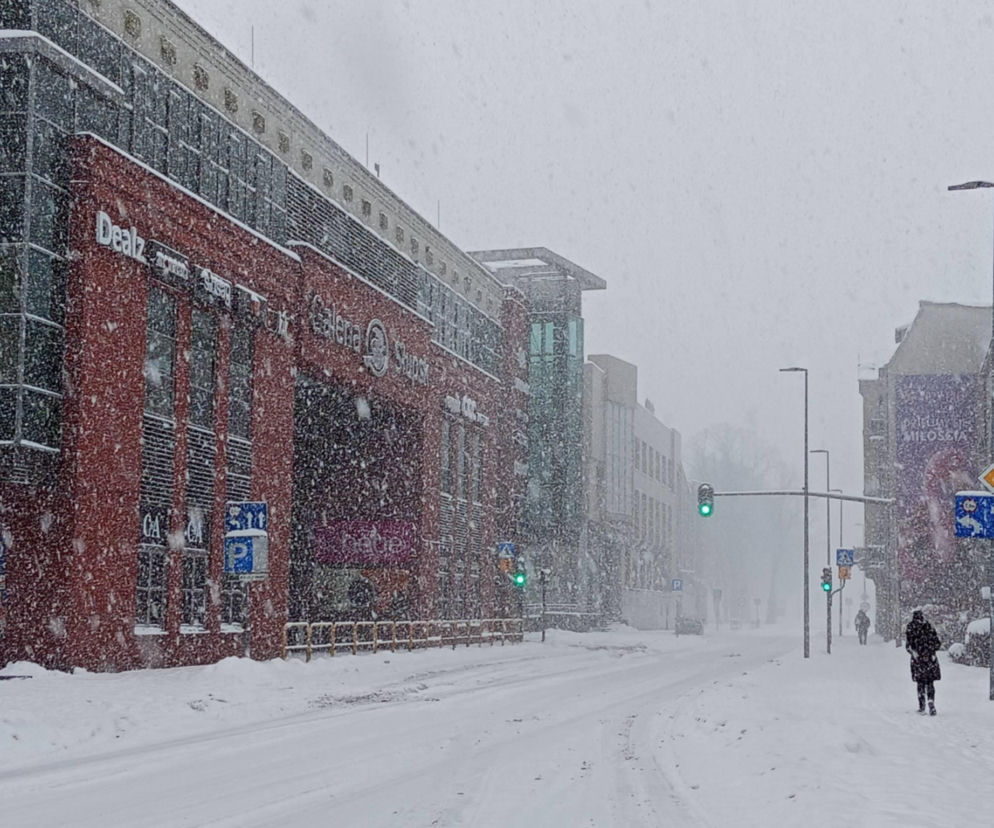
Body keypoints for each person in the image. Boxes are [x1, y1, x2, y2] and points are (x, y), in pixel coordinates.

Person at [905, 609, 941, 715]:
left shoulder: (911, 627)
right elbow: (937, 643)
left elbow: (908, 645)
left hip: (918, 660)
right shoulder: (929, 626)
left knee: (920, 683)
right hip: (930, 659)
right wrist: (932, 652)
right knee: (930, 682)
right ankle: (931, 700)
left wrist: (914, 653)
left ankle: (922, 705)